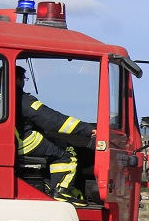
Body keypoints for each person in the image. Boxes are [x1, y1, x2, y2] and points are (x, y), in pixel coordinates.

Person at [14, 66, 95, 206]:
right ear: (17, 79)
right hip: (24, 141)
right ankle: (61, 192)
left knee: (50, 146)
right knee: (66, 153)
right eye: (24, 79)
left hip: (11, 142)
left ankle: (47, 185)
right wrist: (86, 129)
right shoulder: (20, 97)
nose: (24, 83)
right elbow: (50, 119)